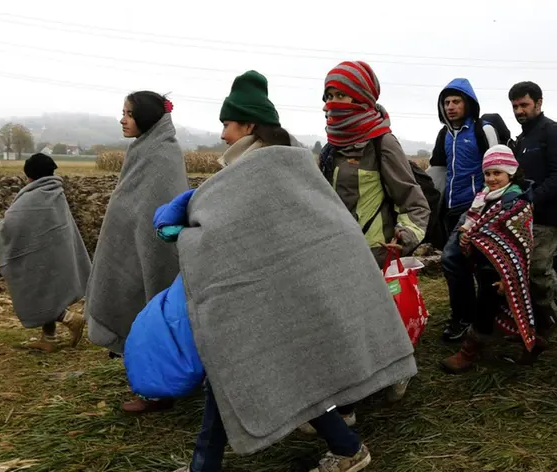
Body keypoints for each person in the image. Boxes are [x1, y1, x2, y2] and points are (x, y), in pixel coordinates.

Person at [164, 79, 416, 471]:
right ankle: (347, 447)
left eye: (228, 124)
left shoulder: (266, 169)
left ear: (248, 127)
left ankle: (206, 465)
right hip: (268, 291)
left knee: (239, 365)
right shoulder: (266, 165)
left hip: (284, 289)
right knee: (293, 368)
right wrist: (197, 216)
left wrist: (188, 231)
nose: (222, 133)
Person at [84, 91, 189, 413]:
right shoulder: (141, 150)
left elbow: (156, 212)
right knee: (135, 310)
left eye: (128, 113)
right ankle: (150, 382)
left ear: (145, 116)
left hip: (154, 252)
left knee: (153, 313)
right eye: (123, 112)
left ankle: (158, 393)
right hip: (131, 250)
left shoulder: (162, 156)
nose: (122, 119)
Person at [318, 61, 430, 269]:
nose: (332, 104)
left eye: (341, 96)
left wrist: (403, 240)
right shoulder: (330, 149)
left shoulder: (382, 143)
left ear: (361, 98)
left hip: (374, 258)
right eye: (329, 97)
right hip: (335, 254)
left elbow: (414, 204)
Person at [440, 145, 535, 373]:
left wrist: (508, 277)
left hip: (501, 270)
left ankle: (469, 351)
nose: (491, 178)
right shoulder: (484, 197)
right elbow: (476, 224)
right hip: (484, 264)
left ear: (510, 172)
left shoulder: (517, 202)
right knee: (496, 306)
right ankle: (531, 342)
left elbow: (521, 245)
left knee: (486, 305)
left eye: (497, 173)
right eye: (487, 173)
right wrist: (466, 233)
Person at [430, 78, 501, 342]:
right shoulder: (444, 135)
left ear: (468, 103)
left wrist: (487, 203)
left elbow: (499, 166)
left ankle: (464, 318)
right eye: (446, 102)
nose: (450, 106)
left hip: (476, 207)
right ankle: (475, 315)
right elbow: (438, 172)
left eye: (456, 101)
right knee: (465, 264)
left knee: (451, 259)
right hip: (451, 207)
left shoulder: (483, 129)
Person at [508, 81, 557, 357]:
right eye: (515, 107)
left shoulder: (555, 133)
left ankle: (547, 320)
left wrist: (530, 198)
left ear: (539, 102)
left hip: (552, 214)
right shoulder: (521, 141)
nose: (519, 111)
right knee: (526, 264)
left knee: (535, 265)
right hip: (527, 214)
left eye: (524, 104)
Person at [0, 153, 89, 353]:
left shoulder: (31, 197)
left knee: (36, 291)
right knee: (48, 290)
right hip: (55, 254)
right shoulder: (55, 191)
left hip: (37, 256)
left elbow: (10, 224)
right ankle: (49, 338)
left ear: (30, 176)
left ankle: (70, 319)